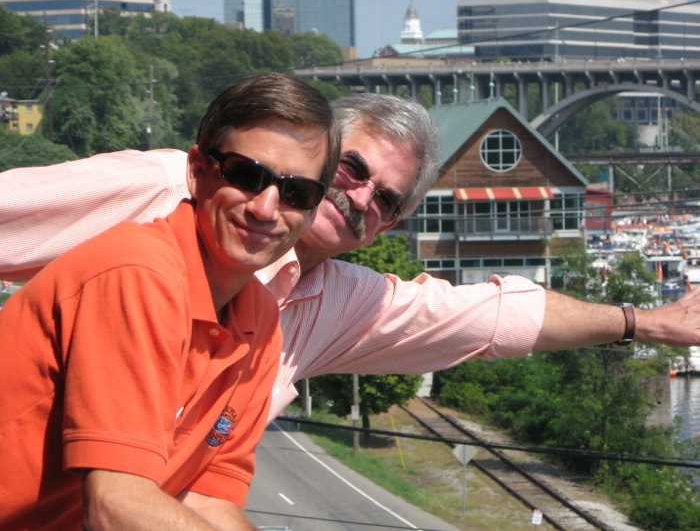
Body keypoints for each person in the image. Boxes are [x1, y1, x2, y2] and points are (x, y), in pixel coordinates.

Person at [1, 94, 700, 428]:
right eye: (352, 167)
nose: (359, 196)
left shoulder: (328, 301)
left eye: (386, 200)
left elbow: (487, 316)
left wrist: (654, 322)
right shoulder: (171, 188)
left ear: (385, 228)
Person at [0, 72, 339, 530]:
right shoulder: (137, 273)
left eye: (297, 192)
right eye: (246, 175)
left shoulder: (259, 319)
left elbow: (206, 499)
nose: (265, 208)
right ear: (198, 171)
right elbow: (115, 507)